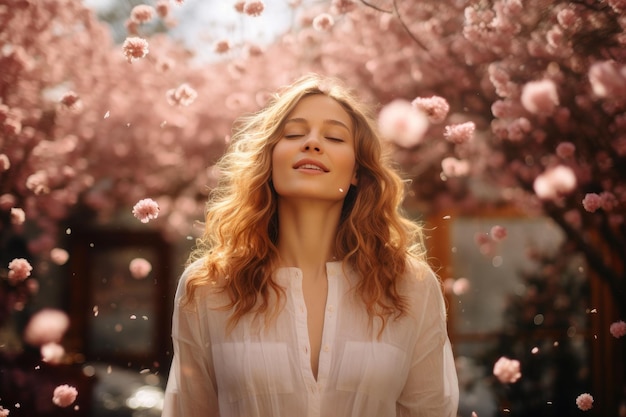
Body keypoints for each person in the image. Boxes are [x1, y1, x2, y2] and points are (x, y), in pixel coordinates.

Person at [162, 73, 459, 417]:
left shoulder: (412, 287)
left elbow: (430, 410)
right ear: (269, 161)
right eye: (293, 134)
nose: (313, 143)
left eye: (334, 137)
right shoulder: (207, 288)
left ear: (357, 174)